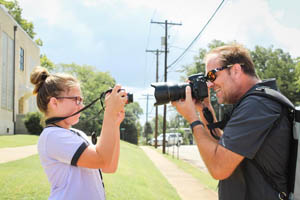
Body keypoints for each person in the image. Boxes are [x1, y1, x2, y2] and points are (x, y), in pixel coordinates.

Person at [171, 44, 291, 200]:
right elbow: (224, 148)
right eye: (206, 79)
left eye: (212, 76)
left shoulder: (258, 105)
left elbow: (218, 167)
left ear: (235, 70)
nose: (210, 84)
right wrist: (204, 107)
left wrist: (193, 119)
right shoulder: (255, 102)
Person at [30, 66, 127, 200]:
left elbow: (109, 166)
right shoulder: (52, 136)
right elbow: (102, 160)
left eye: (81, 100)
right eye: (77, 100)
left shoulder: (76, 133)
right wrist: (109, 113)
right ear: (54, 102)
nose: (81, 106)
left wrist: (115, 123)